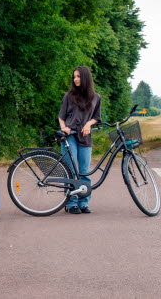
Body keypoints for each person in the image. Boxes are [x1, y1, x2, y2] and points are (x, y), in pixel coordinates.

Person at [58, 66, 102, 214]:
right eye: (74, 77)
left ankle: (84, 202)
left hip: (85, 138)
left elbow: (97, 117)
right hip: (70, 136)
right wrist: (64, 127)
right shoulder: (68, 96)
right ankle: (71, 203)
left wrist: (89, 123)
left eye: (78, 76)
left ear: (86, 78)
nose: (76, 79)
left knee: (84, 172)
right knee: (71, 171)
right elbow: (61, 117)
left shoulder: (96, 97)